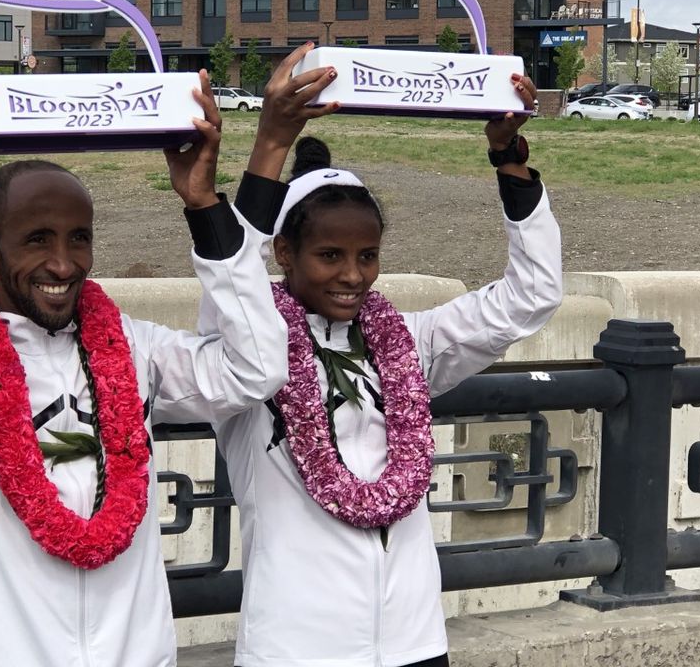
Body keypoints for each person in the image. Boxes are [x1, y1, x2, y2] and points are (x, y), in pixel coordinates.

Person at [0, 64, 288, 667]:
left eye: (78, 238)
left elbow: (257, 368)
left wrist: (203, 204)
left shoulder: (134, 352)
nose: (63, 263)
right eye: (37, 240)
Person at [211, 43, 564, 667]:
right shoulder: (244, 349)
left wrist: (508, 160)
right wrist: (270, 144)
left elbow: (531, 296)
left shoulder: (410, 344)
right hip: (296, 647)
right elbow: (231, 275)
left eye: (366, 256)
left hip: (414, 641)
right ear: (284, 255)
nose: (353, 275)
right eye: (330, 256)